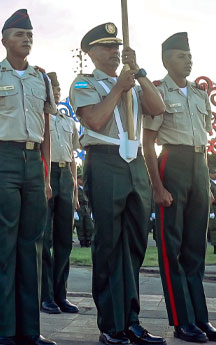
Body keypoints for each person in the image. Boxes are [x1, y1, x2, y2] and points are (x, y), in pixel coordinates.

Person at [71, 23, 166, 345]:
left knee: (135, 245)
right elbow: (94, 120)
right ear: (91, 52)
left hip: (135, 161)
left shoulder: (133, 80)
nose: (113, 52)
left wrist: (137, 73)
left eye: (116, 47)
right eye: (106, 47)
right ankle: (112, 324)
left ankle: (132, 320)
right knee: (110, 245)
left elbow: (158, 108)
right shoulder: (85, 82)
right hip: (105, 159)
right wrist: (117, 89)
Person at [0, 9, 58, 345]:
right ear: (5, 39)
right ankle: (5, 329)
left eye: (30, 35)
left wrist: (47, 175)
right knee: (4, 248)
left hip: (34, 162)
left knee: (32, 248)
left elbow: (47, 132)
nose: (27, 39)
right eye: (20, 34)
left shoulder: (41, 78)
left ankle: (30, 330)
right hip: (3, 159)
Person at [143, 32, 216, 344]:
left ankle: (200, 319)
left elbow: (203, 136)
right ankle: (181, 321)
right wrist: (157, 185)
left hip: (199, 165)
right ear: (167, 60)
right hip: (172, 163)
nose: (188, 60)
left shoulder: (200, 94)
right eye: (181, 55)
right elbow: (148, 143)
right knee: (171, 247)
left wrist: (205, 177)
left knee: (195, 247)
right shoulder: (158, 92)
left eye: (189, 55)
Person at [40, 71, 80, 316]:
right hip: (47, 172)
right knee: (44, 240)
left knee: (64, 240)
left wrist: (74, 190)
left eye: (57, 88)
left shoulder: (67, 121)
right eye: (52, 88)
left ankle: (60, 294)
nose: (55, 92)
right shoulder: (39, 118)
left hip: (65, 176)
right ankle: (45, 296)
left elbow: (74, 157)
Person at [74, 176, 93, 248]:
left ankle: (88, 239)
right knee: (80, 225)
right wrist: (74, 211)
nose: (82, 181)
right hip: (79, 207)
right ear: (78, 180)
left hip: (86, 207)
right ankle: (82, 241)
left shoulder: (85, 188)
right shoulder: (76, 188)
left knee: (89, 224)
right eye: (81, 179)